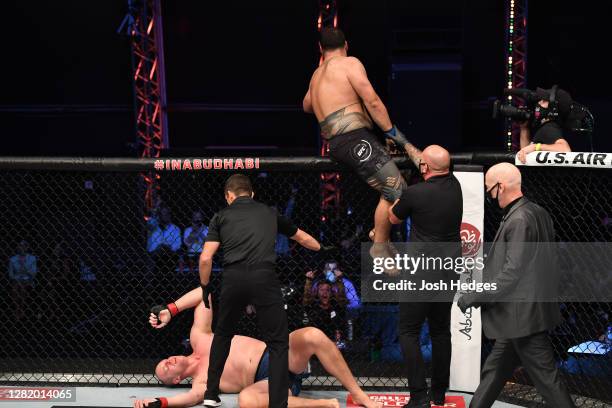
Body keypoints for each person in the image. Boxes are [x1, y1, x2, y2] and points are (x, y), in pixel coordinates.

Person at [198, 174, 332, 408]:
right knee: (278, 342)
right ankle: (278, 403)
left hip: (234, 278)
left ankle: (210, 393)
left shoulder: (221, 216)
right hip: (264, 277)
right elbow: (302, 238)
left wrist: (205, 286)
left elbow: (206, 258)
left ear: (229, 196)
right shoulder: (270, 213)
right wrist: (324, 248)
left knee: (222, 335)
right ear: (252, 194)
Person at [132, 287, 382, 408]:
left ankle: (358, 393)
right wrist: (160, 403)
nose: (168, 361)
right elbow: (190, 399)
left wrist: (170, 310)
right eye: (166, 369)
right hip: (270, 383)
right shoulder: (202, 382)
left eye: (165, 359)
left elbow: (203, 292)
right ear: (176, 380)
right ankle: (325, 404)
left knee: (313, 335)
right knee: (247, 400)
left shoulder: (199, 336)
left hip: (279, 355)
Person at [457, 163, 575, 408]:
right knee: (495, 371)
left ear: (500, 187)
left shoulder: (519, 219)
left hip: (523, 316)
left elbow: (512, 272)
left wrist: (475, 296)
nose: (490, 196)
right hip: (522, 314)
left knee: (547, 380)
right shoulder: (537, 212)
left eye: (489, 190)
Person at [303, 27, 413, 264]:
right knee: (399, 190)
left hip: (339, 144)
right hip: (354, 138)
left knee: (392, 187)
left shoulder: (316, 75)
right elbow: (372, 101)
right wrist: (394, 135)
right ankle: (379, 244)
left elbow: (307, 105)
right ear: (347, 45)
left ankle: (379, 236)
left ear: (320, 49)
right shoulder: (350, 63)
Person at [386, 145, 463, 408]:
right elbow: (433, 162)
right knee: (441, 331)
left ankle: (419, 397)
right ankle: (438, 395)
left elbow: (393, 218)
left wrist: (397, 192)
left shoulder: (414, 193)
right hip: (449, 268)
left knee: (408, 331)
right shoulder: (456, 186)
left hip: (421, 270)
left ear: (424, 168)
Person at [516, 87, 572, 163]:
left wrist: (536, 147)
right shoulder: (545, 127)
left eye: (544, 100)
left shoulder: (549, 128)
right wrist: (524, 128)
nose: (539, 103)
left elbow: (565, 149)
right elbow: (525, 154)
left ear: (553, 108)